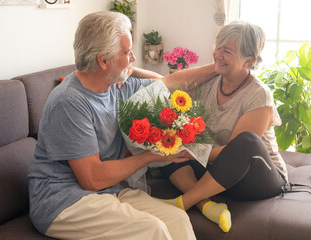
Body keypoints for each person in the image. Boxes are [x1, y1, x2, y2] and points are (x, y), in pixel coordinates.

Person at [28, 11, 217, 240]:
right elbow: (92, 179)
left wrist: (217, 68)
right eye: (127, 53)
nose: (133, 59)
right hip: (62, 201)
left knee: (177, 219)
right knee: (152, 230)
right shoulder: (69, 102)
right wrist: (151, 156)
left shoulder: (118, 85)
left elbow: (166, 83)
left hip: (108, 191)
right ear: (103, 61)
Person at [157, 21, 288, 233]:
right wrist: (131, 73)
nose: (217, 54)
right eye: (217, 46)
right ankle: (208, 206)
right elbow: (165, 83)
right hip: (219, 174)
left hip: (256, 177)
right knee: (168, 145)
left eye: (227, 51)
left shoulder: (258, 95)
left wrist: (193, 154)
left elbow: (233, 153)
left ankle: (183, 202)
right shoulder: (211, 81)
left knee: (246, 141)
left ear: (249, 60)